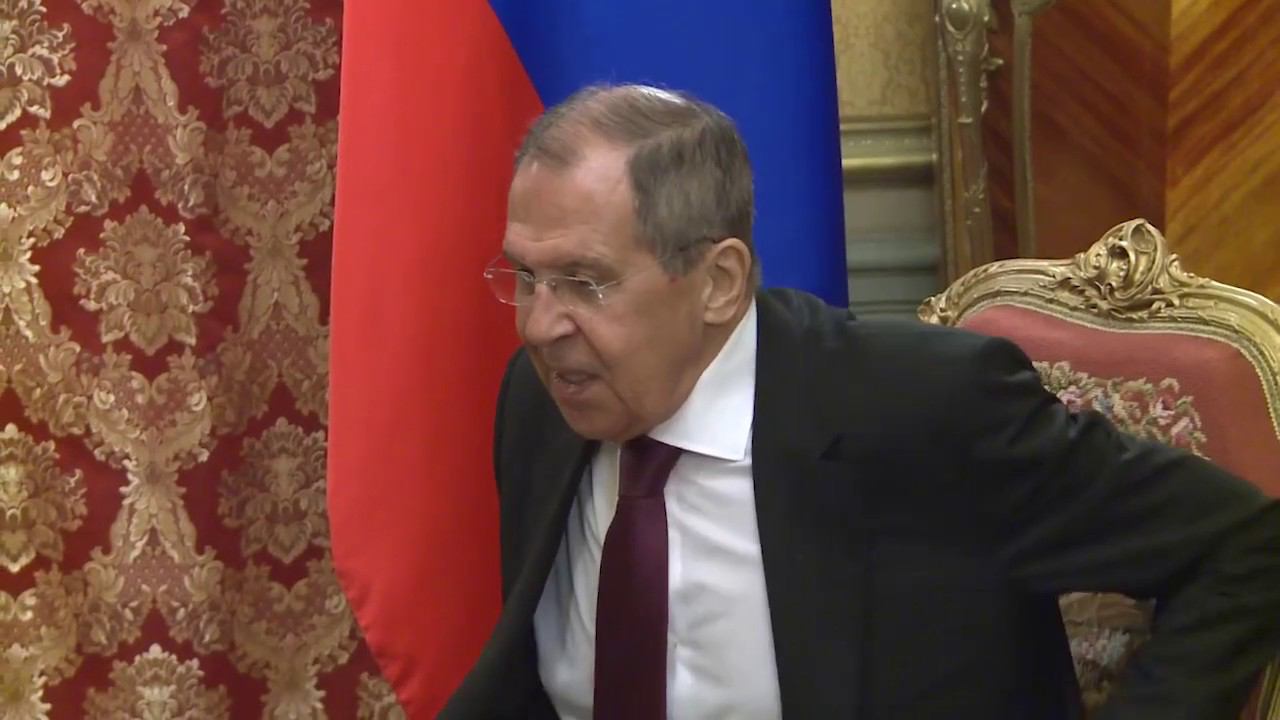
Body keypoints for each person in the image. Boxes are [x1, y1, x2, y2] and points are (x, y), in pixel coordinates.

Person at [440, 84, 1280, 719]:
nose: (540, 325)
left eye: (585, 282)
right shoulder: (545, 401)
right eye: (526, 276)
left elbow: (1242, 543)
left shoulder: (924, 413)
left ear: (719, 282)